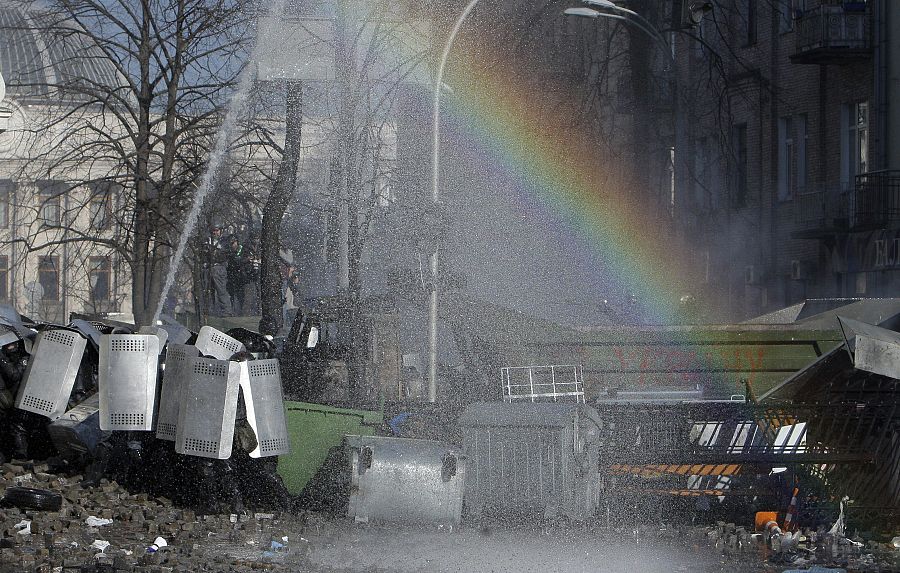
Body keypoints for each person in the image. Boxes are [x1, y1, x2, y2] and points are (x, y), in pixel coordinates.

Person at [207, 223, 231, 316]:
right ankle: (210, 310)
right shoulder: (207, 240)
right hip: (209, 267)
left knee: (221, 291)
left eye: (217, 230)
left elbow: (226, 254)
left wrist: (216, 251)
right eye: (213, 230)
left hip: (219, 268)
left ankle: (227, 311)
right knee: (208, 292)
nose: (215, 232)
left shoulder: (225, 241)